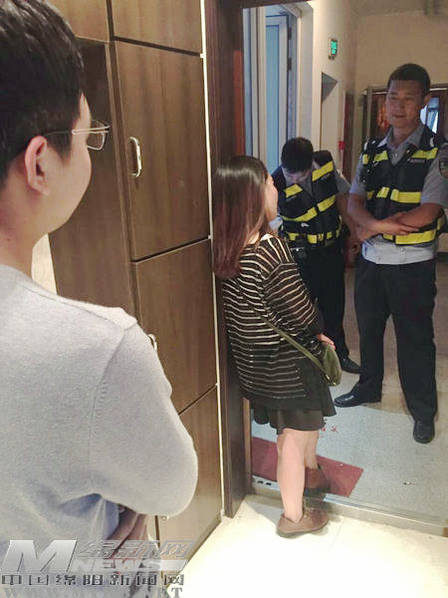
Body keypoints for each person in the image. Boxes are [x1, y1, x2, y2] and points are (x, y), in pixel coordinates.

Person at [0, 0, 198, 589]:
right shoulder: (97, 350)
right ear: (39, 163)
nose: (91, 153)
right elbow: (172, 487)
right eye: (89, 137)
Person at [213, 155, 336, 537]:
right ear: (252, 194)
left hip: (256, 366)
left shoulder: (226, 248)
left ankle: (311, 475)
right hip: (288, 366)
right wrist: (319, 331)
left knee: (296, 431)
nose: (276, 188)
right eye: (269, 182)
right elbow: (301, 312)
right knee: (291, 441)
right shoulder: (271, 249)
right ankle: (294, 517)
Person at [334, 63, 448, 444]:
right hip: (371, 262)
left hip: (412, 267)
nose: (397, 106)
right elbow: (354, 201)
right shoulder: (372, 150)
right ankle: (368, 387)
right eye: (393, 98)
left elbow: (427, 212)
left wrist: (371, 227)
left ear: (424, 101)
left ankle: (423, 410)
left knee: (415, 340)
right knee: (369, 331)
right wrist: (379, 227)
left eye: (408, 99)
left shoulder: (437, 151)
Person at [272, 138, 361, 374]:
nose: (295, 180)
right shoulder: (275, 183)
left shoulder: (326, 165)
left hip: (331, 250)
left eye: (301, 175)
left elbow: (342, 200)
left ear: (311, 164)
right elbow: (270, 224)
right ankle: (304, 361)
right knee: (301, 311)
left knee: (334, 307)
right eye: (290, 175)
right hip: (299, 257)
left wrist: (354, 233)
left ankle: (339, 356)